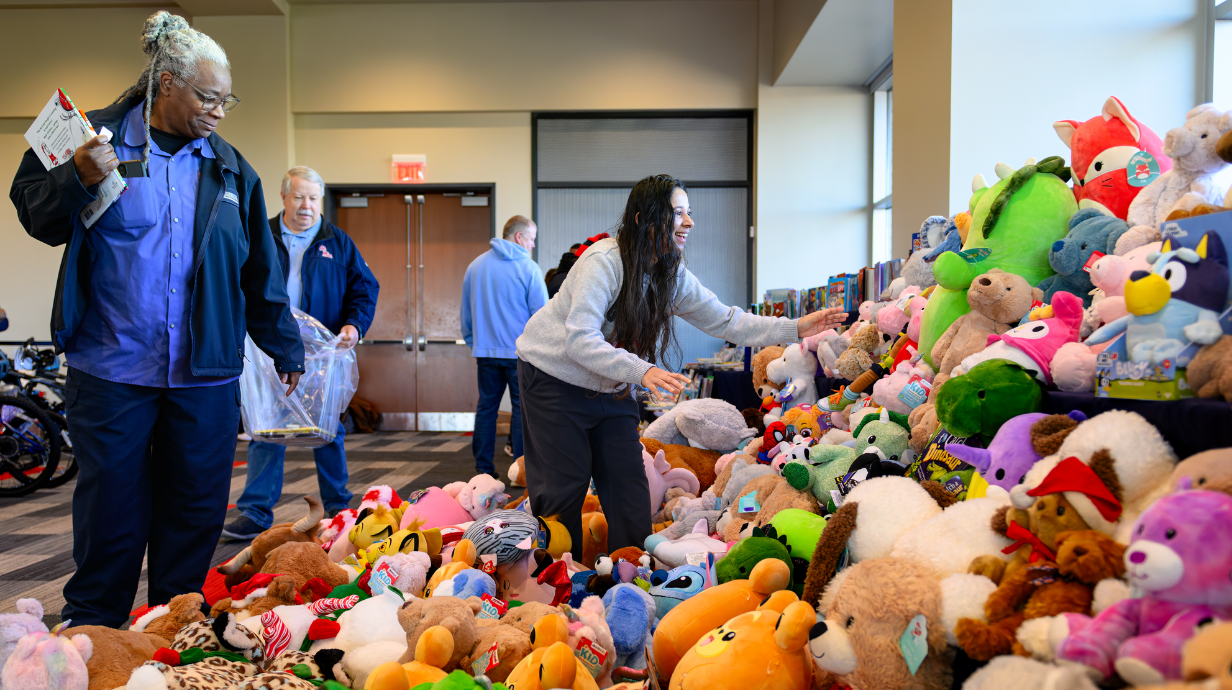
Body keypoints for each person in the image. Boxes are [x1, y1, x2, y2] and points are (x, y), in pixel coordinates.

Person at [9, 12, 305, 627]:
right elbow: (33, 214)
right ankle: (95, 621)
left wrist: (285, 347)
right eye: (208, 96)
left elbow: (259, 272)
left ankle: (178, 619)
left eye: (228, 99)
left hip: (204, 374)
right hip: (111, 367)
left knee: (194, 506)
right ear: (165, 83)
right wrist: (78, 178)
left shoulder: (230, 169)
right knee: (111, 503)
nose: (220, 110)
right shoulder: (90, 139)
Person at [516, 174, 846, 559]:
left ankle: (631, 575)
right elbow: (579, 340)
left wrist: (794, 327)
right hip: (554, 377)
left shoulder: (668, 274)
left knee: (629, 486)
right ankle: (553, 582)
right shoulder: (603, 262)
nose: (689, 222)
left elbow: (727, 320)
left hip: (611, 384)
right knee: (562, 490)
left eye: (689, 213)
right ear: (644, 218)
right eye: (677, 213)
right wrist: (643, 371)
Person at [223, 166, 379, 540]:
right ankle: (256, 512)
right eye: (298, 196)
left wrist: (354, 326)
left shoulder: (337, 242)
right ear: (283, 198)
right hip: (268, 348)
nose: (306, 205)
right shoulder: (260, 234)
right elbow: (236, 282)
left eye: (313, 197)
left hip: (322, 352)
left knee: (328, 430)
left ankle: (339, 507)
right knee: (266, 428)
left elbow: (364, 289)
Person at [461, 215, 548, 478]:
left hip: (485, 352)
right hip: (520, 353)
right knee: (522, 410)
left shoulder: (475, 266)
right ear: (519, 237)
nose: (532, 245)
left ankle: (483, 471)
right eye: (531, 239)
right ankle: (519, 470)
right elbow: (542, 315)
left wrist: (474, 342)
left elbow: (465, 313)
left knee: (486, 408)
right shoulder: (528, 267)